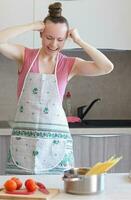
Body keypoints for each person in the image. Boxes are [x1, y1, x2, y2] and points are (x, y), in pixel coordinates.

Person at [0, 2, 113, 174]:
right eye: (49, 37)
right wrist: (31, 25)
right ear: (41, 34)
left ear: (66, 39)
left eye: (60, 39)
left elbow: (106, 67)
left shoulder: (69, 64)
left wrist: (80, 41)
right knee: (22, 193)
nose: (54, 44)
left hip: (56, 143)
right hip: (24, 143)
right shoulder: (25, 56)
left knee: (58, 193)